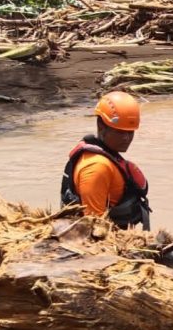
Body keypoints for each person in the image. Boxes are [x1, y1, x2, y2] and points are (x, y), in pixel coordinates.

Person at [61, 91, 151, 229]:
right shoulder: (97, 167)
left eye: (130, 131)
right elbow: (94, 226)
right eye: (120, 132)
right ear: (101, 125)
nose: (127, 138)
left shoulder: (106, 156)